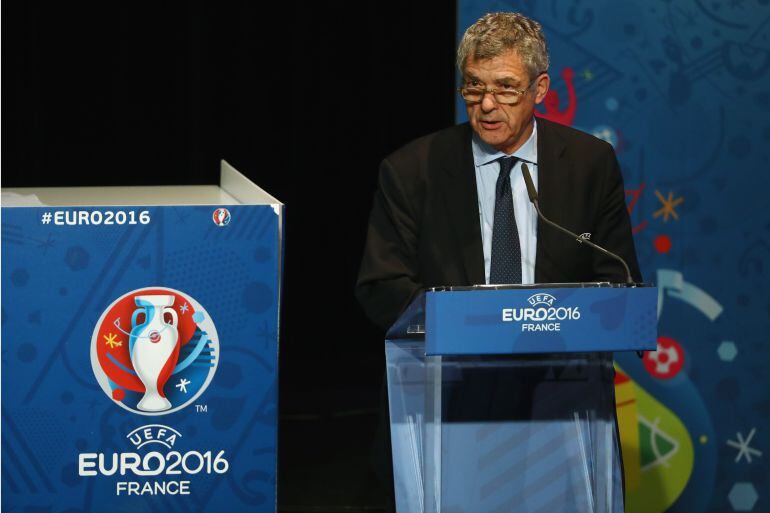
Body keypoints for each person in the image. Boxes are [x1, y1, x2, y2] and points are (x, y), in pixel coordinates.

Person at [356, 12, 641, 332]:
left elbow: (617, 279)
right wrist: (469, 325)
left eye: (506, 88)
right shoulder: (411, 170)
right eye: (474, 86)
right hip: (449, 370)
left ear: (540, 88)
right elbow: (381, 286)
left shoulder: (590, 163)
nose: (487, 104)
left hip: (561, 370)